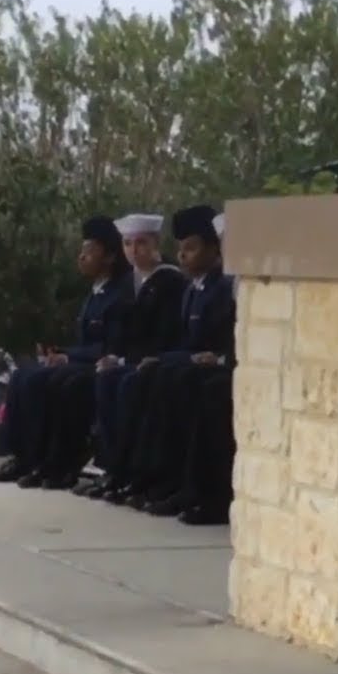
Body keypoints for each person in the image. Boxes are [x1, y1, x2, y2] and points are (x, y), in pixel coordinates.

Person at [0, 217, 132, 486]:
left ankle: (57, 463)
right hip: (84, 362)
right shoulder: (95, 292)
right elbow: (86, 342)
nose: (81, 257)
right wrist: (60, 352)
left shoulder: (121, 292)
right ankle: (23, 456)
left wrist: (69, 357)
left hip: (105, 365)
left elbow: (112, 346)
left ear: (109, 256)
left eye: (89, 251)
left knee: (57, 382)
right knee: (22, 377)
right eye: (81, 250)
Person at [103, 205, 235, 511]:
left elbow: (225, 340)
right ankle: (146, 476)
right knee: (153, 375)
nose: (183, 256)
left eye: (191, 248)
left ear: (213, 250)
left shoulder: (222, 287)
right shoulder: (194, 290)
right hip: (195, 363)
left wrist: (218, 358)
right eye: (181, 248)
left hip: (218, 366)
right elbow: (186, 343)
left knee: (177, 382)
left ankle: (186, 485)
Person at [76, 213, 187, 499]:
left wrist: (128, 360)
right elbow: (122, 335)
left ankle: (138, 473)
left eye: (141, 242)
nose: (134, 249)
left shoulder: (170, 281)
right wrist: (116, 357)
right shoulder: (128, 284)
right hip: (130, 360)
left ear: (155, 244)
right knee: (106, 379)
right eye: (127, 243)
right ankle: (114, 469)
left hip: (158, 358)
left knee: (128, 387)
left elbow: (165, 332)